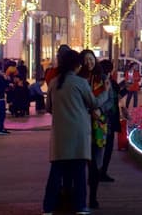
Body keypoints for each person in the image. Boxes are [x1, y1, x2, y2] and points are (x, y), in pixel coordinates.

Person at [42, 50, 98, 215]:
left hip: (60, 134)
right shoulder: (81, 83)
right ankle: (80, 206)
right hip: (78, 134)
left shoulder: (54, 82)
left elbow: (48, 107)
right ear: (76, 65)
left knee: (56, 172)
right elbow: (93, 103)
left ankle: (48, 207)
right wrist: (106, 92)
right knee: (79, 172)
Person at [79, 49, 110, 209]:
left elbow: (110, 100)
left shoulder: (102, 78)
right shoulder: (79, 79)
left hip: (99, 127)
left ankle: (93, 197)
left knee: (95, 164)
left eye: (91, 59)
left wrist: (101, 110)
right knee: (81, 164)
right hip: (82, 126)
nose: (89, 62)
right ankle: (81, 197)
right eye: (85, 60)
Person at [98, 59, 121, 183]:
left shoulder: (108, 82)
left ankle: (100, 172)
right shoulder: (106, 82)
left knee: (101, 148)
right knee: (105, 148)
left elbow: (117, 97)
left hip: (105, 119)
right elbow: (111, 100)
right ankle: (101, 172)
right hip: (106, 120)